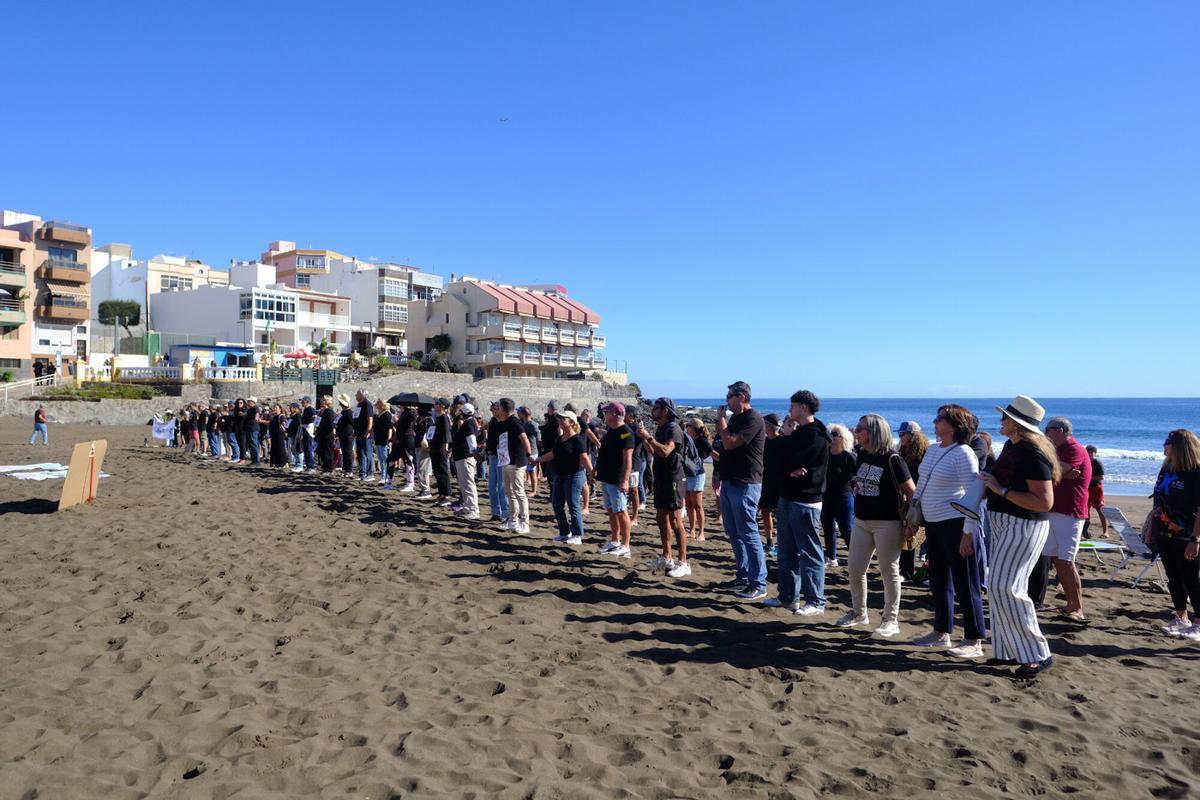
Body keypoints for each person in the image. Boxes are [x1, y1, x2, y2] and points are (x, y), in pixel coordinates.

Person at [978, 395, 1060, 677]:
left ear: (1016, 423)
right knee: (999, 585)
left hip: (1022, 525)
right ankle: (1007, 650)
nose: (1001, 420)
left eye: (1005, 417)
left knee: (1006, 586)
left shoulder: (1031, 452)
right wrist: (990, 482)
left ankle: (1037, 653)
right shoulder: (1014, 447)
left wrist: (1001, 490)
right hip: (1005, 522)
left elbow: (1044, 502)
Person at [907, 404, 986, 658]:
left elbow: (974, 496)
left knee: (966, 583)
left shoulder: (964, 453)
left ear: (953, 425)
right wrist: (913, 517)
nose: (934, 421)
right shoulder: (932, 450)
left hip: (956, 524)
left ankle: (974, 640)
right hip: (933, 524)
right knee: (939, 580)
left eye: (939, 418)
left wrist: (968, 532)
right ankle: (941, 632)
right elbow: (922, 484)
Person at [838, 413, 916, 637]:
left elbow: (912, 493)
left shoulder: (893, 459)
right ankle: (858, 613)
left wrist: (911, 521)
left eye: (860, 429)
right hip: (861, 520)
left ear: (873, 432)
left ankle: (891, 619)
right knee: (854, 569)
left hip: (888, 523)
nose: (856, 432)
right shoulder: (862, 455)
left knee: (889, 571)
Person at [766, 390, 831, 616]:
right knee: (786, 551)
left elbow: (801, 462)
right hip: (787, 496)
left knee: (810, 552)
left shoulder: (818, 434)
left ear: (803, 407)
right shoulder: (796, 432)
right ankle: (788, 597)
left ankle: (815, 601)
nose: (789, 411)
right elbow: (776, 460)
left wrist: (787, 441)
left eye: (792, 406)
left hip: (806, 501)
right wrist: (785, 437)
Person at [1034, 416, 1091, 621]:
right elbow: (1055, 470)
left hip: (1070, 512)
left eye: (1048, 429)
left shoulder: (1074, 448)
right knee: (1058, 559)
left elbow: (1056, 469)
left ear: (1059, 430)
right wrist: (1060, 471)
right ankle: (1070, 605)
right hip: (1056, 510)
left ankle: (1077, 607)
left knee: (1067, 560)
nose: (1045, 433)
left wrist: (1058, 471)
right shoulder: (1057, 450)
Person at [715, 381, 768, 600]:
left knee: (748, 533)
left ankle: (758, 582)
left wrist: (721, 420)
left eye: (730, 396)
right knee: (734, 533)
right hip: (730, 482)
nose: (727, 400)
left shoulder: (752, 418)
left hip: (746, 483)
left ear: (742, 397)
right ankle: (744, 576)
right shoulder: (736, 418)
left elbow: (729, 443)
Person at [1146, 429, 1200, 641]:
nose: (1163, 446)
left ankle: (1198, 623)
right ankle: (1181, 618)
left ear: (1179, 446)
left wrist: (1195, 539)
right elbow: (1157, 500)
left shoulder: (1196, 473)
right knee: (1174, 579)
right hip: (1163, 532)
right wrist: (1152, 526)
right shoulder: (1167, 469)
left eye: (1167, 442)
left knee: (1191, 579)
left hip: (1187, 535)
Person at [637, 397, 690, 577]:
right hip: (662, 478)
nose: (653, 410)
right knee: (661, 518)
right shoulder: (662, 428)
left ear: (665, 410)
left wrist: (648, 437)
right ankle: (667, 557)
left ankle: (683, 562)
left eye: (656, 408)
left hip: (674, 479)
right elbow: (656, 452)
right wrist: (646, 440)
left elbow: (666, 451)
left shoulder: (673, 428)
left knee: (675, 520)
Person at [537, 410, 591, 545]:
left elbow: (584, 458)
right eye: (560, 419)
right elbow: (553, 453)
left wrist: (592, 472)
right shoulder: (560, 439)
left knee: (573, 505)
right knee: (556, 504)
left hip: (574, 475)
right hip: (560, 476)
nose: (561, 421)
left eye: (564, 419)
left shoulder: (577, 439)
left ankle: (577, 535)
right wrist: (537, 460)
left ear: (572, 422)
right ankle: (564, 533)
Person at [595, 402, 635, 558]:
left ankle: (626, 545)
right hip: (606, 477)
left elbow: (628, 458)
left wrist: (625, 480)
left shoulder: (626, 432)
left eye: (607, 412)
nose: (604, 415)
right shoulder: (611, 431)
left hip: (617, 479)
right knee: (611, 510)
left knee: (621, 511)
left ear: (614, 414)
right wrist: (596, 469)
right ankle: (615, 541)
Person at [491, 398, 533, 533]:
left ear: (504, 409)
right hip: (506, 461)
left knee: (519, 492)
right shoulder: (502, 422)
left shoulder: (514, 422)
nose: (496, 409)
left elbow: (524, 438)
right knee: (509, 492)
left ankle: (525, 522)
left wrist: (528, 454)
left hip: (517, 462)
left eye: (498, 407)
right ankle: (513, 520)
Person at [897, 421, 929, 581]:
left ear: (913, 435)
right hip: (909, 499)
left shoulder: (925, 454)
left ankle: (926, 572)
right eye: (899, 434)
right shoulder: (902, 452)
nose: (901, 437)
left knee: (925, 538)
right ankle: (906, 571)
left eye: (903, 434)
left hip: (924, 499)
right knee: (908, 535)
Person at [822, 424, 856, 568]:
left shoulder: (849, 457)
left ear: (843, 438)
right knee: (827, 526)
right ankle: (831, 558)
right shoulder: (825, 454)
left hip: (844, 496)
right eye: (830, 433)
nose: (832, 436)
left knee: (847, 528)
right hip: (826, 496)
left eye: (835, 434)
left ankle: (855, 557)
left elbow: (858, 477)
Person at [451, 402, 480, 520]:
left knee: (468, 483)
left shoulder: (468, 424)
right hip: (462, 456)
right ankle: (468, 508)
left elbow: (471, 439)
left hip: (465, 456)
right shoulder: (470, 423)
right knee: (464, 484)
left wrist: (474, 451)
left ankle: (473, 509)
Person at [685, 418, 712, 542]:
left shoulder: (702, 441)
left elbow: (712, 453)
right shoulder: (689, 439)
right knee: (689, 504)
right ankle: (692, 530)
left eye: (688, 425)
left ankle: (701, 532)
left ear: (694, 428)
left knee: (697, 505)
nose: (686, 427)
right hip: (687, 474)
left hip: (697, 474)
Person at [759, 413, 783, 558]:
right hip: (766, 481)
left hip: (780, 484)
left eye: (764, 423)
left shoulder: (783, 441)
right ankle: (769, 541)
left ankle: (782, 543)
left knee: (779, 514)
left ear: (770, 425)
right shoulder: (764, 441)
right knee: (765, 511)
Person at [485, 401, 510, 524]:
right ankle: (496, 512)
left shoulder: (504, 422)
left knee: (501, 487)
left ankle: (506, 514)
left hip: (501, 456)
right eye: (492, 409)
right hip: (492, 456)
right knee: (492, 487)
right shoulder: (493, 421)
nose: (493, 411)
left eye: (495, 409)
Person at [429, 397, 454, 505]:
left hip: (441, 447)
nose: (435, 405)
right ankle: (441, 493)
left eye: (437, 403)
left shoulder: (444, 417)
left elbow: (446, 434)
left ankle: (447, 495)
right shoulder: (438, 417)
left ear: (442, 406)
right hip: (435, 446)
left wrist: (445, 447)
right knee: (437, 471)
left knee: (443, 471)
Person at [625, 408, 647, 527]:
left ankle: (635, 517)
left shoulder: (636, 429)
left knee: (634, 491)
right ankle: (624, 514)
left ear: (630, 415)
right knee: (624, 490)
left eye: (625, 413)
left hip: (634, 463)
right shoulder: (623, 428)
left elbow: (643, 440)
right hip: (622, 463)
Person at [1084, 445, 1108, 539]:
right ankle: (1085, 530)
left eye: (1091, 453)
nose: (1089, 455)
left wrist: (1088, 477)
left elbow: (1101, 477)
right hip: (1086, 488)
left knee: (1100, 509)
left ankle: (1105, 531)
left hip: (1096, 488)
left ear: (1095, 453)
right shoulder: (1084, 462)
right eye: (1088, 452)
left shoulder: (1097, 462)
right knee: (1086, 509)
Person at [517, 406, 541, 497]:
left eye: (519, 412)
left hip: (532, 451)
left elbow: (538, 434)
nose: (518, 414)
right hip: (526, 450)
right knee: (527, 470)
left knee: (531, 471)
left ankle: (534, 491)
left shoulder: (532, 424)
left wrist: (539, 442)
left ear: (523, 414)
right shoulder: (524, 423)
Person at [353, 390, 375, 480]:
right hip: (359, 433)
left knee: (368, 453)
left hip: (365, 434)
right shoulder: (359, 405)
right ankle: (362, 473)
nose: (355, 395)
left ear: (362, 395)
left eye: (357, 394)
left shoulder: (367, 404)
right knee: (361, 454)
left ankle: (370, 473)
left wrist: (368, 431)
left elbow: (370, 419)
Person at [413, 405, 434, 500]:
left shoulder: (429, 421)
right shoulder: (419, 420)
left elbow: (429, 433)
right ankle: (424, 489)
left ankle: (426, 490)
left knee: (423, 469)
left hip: (424, 447)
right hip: (418, 446)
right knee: (420, 468)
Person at [373, 399, 394, 488]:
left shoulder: (387, 414)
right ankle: (383, 476)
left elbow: (389, 427)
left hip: (384, 439)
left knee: (385, 459)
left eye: (378, 403)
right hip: (378, 438)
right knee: (381, 459)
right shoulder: (380, 414)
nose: (377, 405)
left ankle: (385, 477)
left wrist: (389, 438)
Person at [316, 395, 336, 473]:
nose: (321, 401)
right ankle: (325, 468)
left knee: (328, 452)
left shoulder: (329, 411)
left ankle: (328, 469)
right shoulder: (322, 411)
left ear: (327, 402)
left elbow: (332, 424)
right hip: (322, 435)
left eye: (323, 400)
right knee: (323, 452)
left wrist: (334, 433)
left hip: (328, 435)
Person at [336, 394, 355, 476]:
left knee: (348, 452)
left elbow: (353, 423)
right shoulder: (343, 412)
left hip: (348, 434)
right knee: (344, 452)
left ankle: (349, 470)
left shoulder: (349, 413)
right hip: (342, 434)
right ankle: (345, 469)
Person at [299, 395, 317, 473]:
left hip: (308, 431)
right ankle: (308, 466)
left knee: (309, 449)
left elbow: (314, 418)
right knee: (306, 449)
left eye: (303, 401)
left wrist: (311, 426)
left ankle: (311, 466)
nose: (301, 403)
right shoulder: (305, 410)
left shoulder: (311, 409)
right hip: (304, 430)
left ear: (307, 401)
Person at [243, 397, 261, 465]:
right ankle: (254, 460)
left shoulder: (255, 409)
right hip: (249, 428)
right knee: (251, 445)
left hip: (253, 429)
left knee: (254, 444)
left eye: (248, 401)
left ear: (252, 402)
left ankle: (256, 461)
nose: (247, 402)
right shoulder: (250, 409)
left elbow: (256, 417)